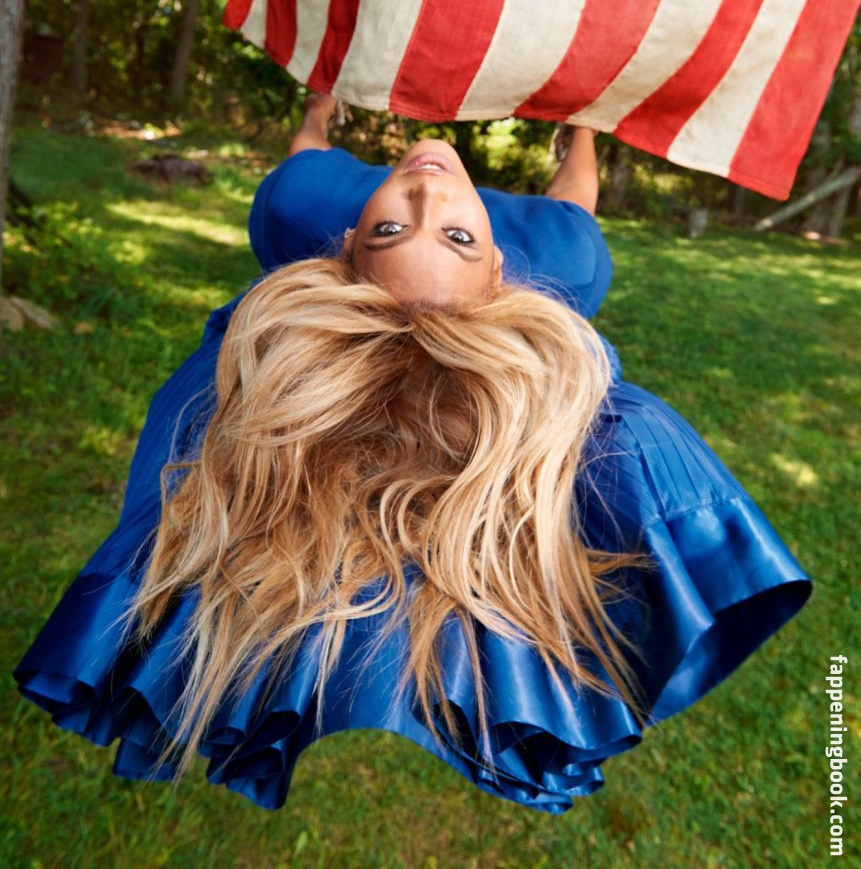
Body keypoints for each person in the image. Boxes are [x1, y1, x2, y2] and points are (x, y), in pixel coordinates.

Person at [13, 93, 811, 814]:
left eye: (392, 228)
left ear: (345, 246)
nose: (428, 192)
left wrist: (319, 106)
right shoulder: (558, 259)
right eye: (452, 233)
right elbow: (574, 195)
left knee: (293, 195)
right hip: (514, 279)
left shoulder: (304, 211)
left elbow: (307, 154)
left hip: (325, 248)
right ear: (500, 267)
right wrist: (583, 129)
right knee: (577, 248)